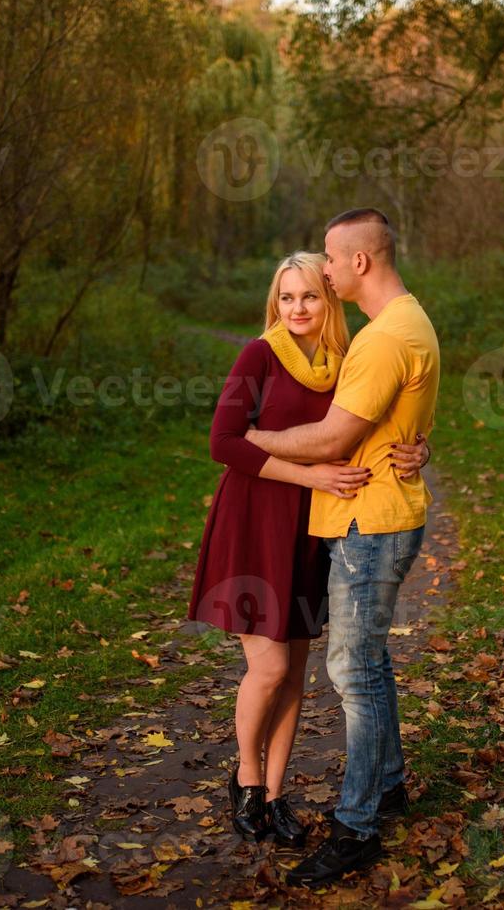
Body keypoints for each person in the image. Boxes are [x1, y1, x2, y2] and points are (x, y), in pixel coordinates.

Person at [187, 250, 431, 848]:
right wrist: (311, 475)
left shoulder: (348, 362)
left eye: (310, 296)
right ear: (276, 303)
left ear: (330, 301)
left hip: (315, 527)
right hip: (256, 517)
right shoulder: (260, 355)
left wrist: (416, 449)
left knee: (295, 671)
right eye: (287, 297)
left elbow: (371, 427)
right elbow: (223, 443)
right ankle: (245, 780)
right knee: (267, 667)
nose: (298, 308)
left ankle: (275, 794)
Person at [243, 209, 440, 887]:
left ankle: (357, 828)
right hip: (379, 513)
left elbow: (332, 439)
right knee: (371, 664)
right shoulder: (407, 321)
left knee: (353, 673)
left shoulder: (385, 339)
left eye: (330, 259)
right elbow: (398, 422)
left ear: (359, 262)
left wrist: (252, 440)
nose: (322, 271)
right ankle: (388, 785)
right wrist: (412, 446)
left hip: (370, 523)